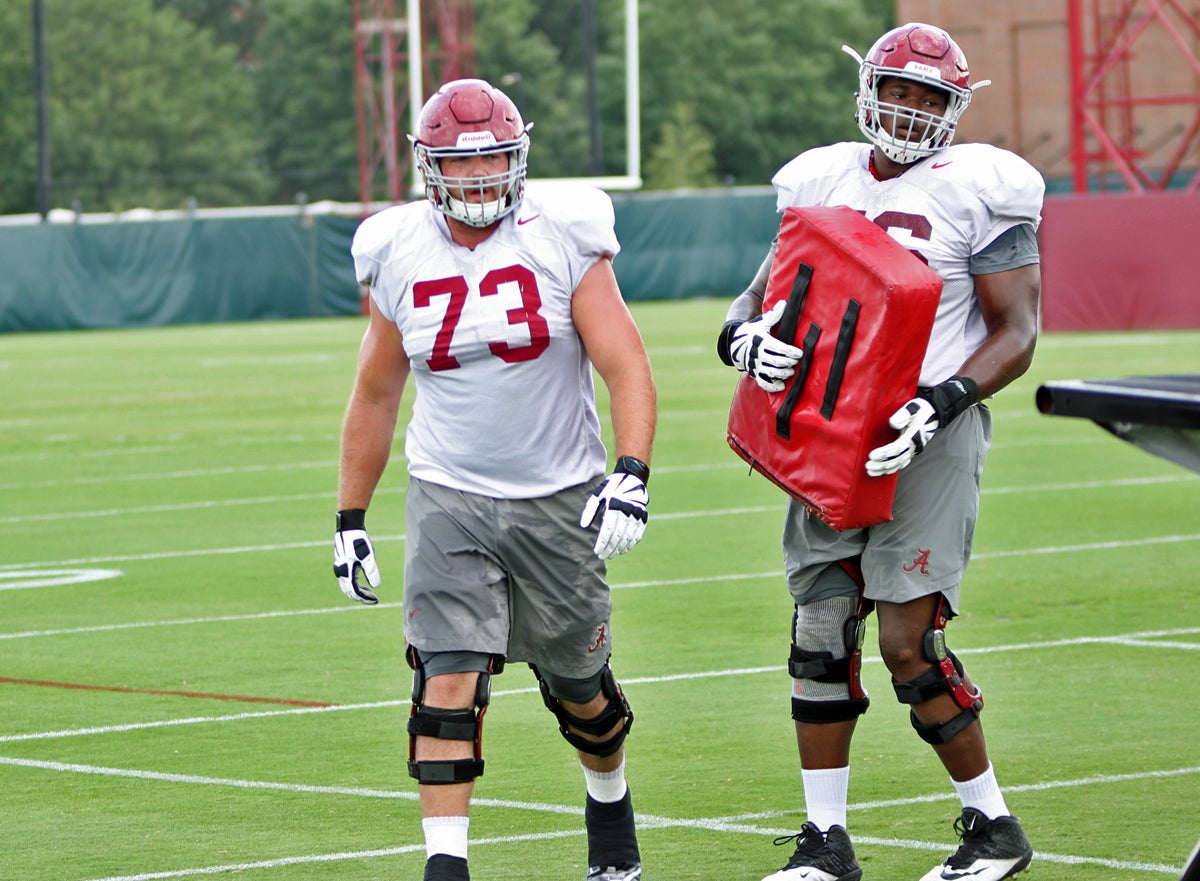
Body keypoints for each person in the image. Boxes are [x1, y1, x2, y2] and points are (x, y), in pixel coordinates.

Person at [715, 23, 1043, 881]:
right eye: (897, 90)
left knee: (908, 641)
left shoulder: (980, 187)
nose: (908, 109)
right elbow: (749, 305)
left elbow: (1019, 331)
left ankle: (991, 825)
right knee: (820, 628)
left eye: (928, 96)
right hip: (830, 426)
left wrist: (943, 403)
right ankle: (826, 842)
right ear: (869, 90)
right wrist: (747, 342)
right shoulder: (820, 178)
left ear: (953, 109)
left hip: (925, 428)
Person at [333, 78, 656, 881]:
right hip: (449, 493)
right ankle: (447, 868)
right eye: (461, 167)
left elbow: (626, 365)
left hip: (558, 494)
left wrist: (631, 472)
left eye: (493, 164)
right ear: (428, 167)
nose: (479, 182)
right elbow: (376, 390)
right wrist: (349, 515)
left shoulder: (565, 233)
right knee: (445, 678)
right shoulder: (396, 247)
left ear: (518, 161)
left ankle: (608, 801)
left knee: (581, 687)